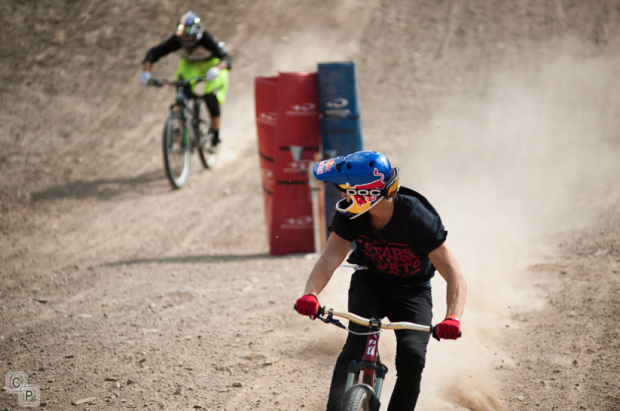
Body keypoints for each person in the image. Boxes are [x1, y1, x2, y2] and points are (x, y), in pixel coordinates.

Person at [295, 150, 467, 411]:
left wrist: (452, 318)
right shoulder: (351, 216)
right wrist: (311, 294)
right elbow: (329, 259)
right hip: (370, 282)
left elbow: (455, 274)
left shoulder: (418, 219)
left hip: (413, 291)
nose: (343, 195)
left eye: (346, 190)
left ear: (366, 195)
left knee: (412, 358)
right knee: (357, 344)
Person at [139, 11, 231, 152]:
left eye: (190, 38)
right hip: (190, 64)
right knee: (181, 90)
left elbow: (226, 59)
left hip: (212, 64)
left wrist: (216, 69)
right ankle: (179, 126)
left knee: (211, 96)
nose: (186, 42)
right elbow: (153, 53)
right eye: (183, 39)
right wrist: (146, 72)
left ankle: (216, 138)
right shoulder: (176, 41)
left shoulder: (207, 39)